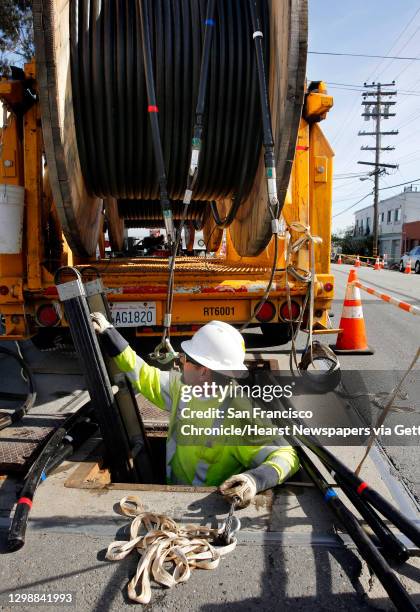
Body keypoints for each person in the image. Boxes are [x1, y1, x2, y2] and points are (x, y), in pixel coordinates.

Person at [90, 314, 299, 507]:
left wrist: (254, 480)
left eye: (186, 359)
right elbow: (146, 376)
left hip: (208, 508)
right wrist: (111, 335)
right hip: (172, 494)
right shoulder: (181, 387)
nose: (180, 362)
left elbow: (287, 456)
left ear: (204, 372)